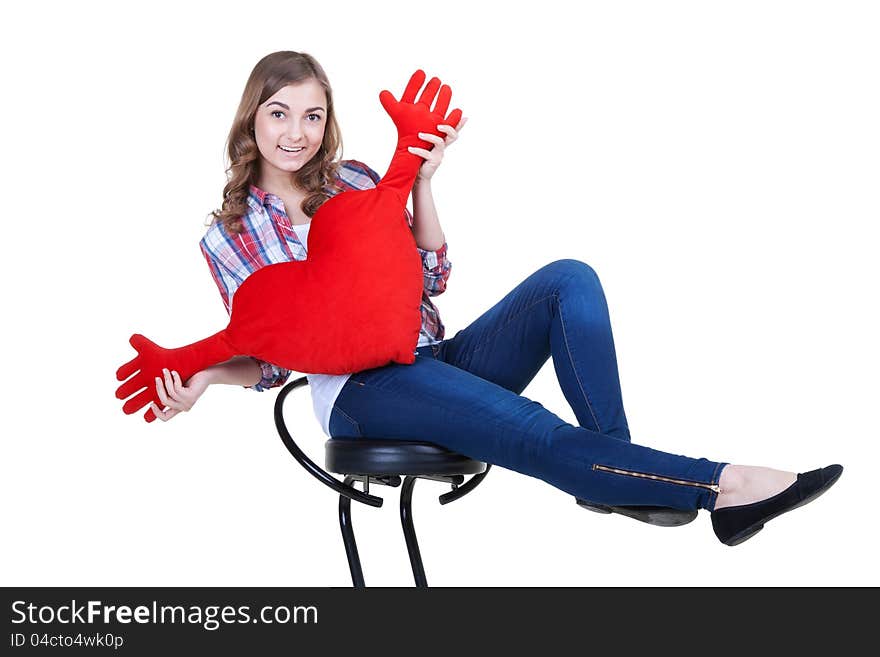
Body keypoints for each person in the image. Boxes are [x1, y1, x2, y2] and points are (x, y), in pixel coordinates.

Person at [150, 51, 842, 547]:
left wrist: (421, 181)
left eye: (311, 115)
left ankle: (610, 463)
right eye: (279, 114)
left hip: (429, 351)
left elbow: (431, 276)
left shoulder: (361, 179)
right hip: (361, 389)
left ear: (328, 122)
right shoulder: (233, 233)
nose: (295, 132)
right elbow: (265, 352)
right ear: (253, 119)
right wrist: (205, 377)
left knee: (569, 278)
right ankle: (725, 484)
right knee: (531, 427)